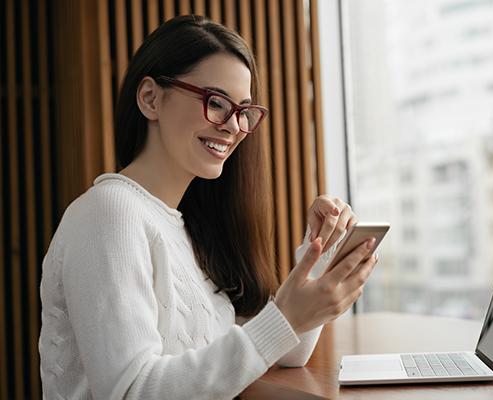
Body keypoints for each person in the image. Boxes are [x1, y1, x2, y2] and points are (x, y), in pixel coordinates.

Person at [39, 15, 378, 399]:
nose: (233, 126)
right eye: (216, 102)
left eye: (244, 111)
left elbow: (284, 351)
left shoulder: (183, 227)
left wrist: (320, 251)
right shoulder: (110, 213)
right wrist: (285, 317)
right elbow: (131, 391)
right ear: (150, 98)